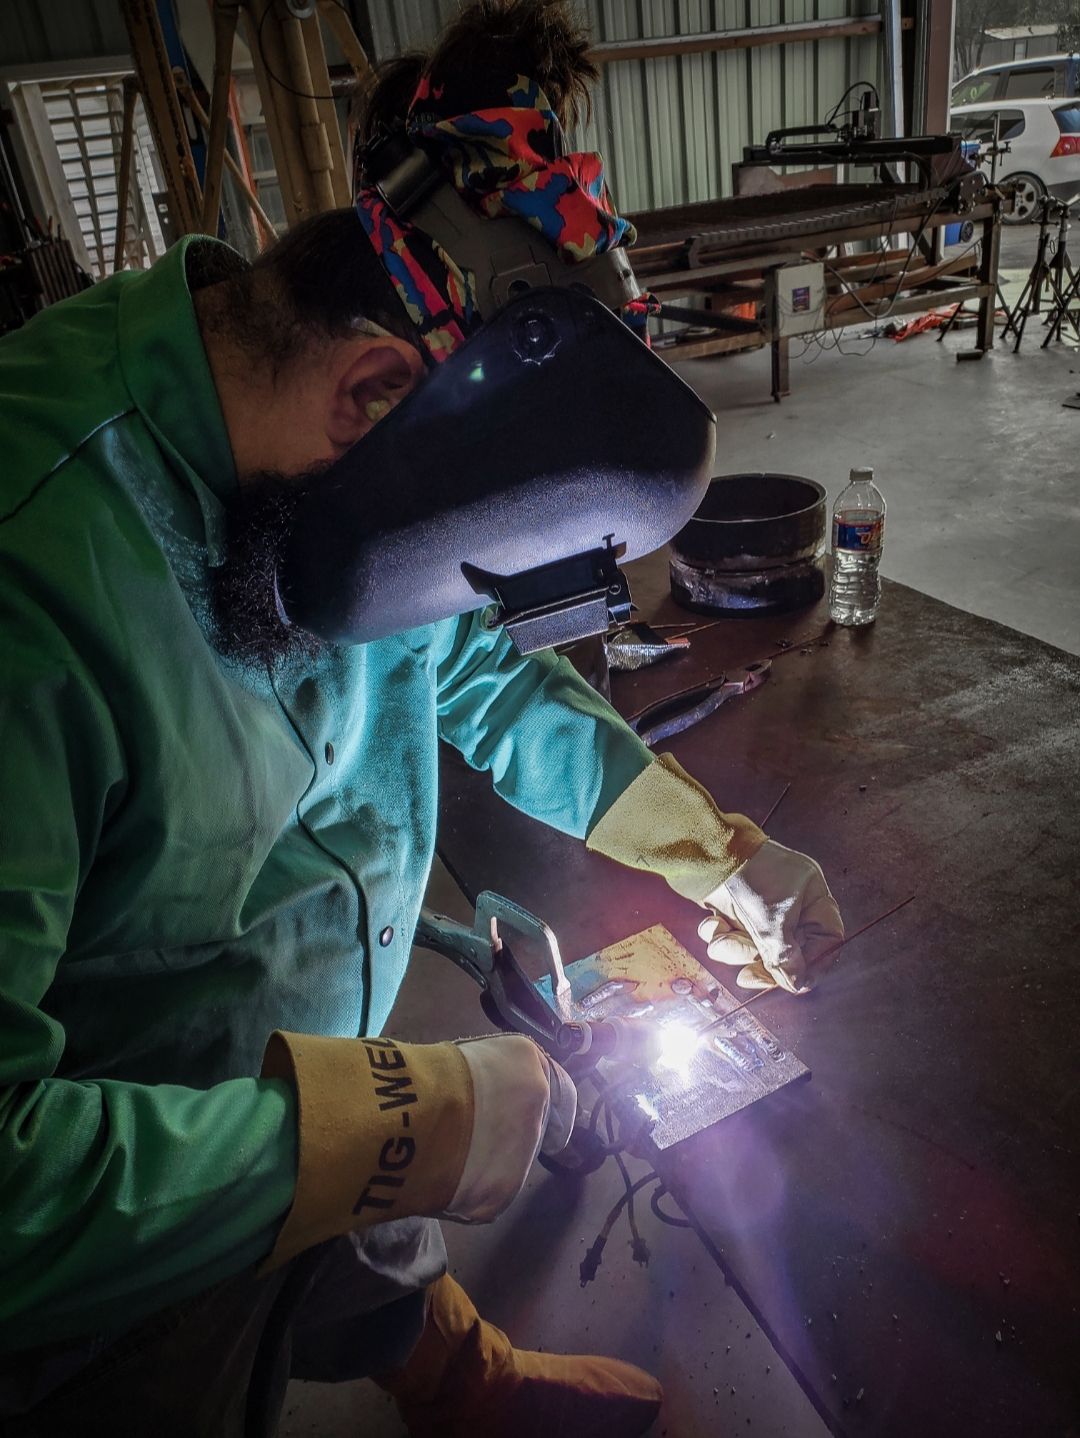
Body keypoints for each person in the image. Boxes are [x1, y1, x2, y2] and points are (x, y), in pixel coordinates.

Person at [0, 3, 843, 1434]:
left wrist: (710, 851)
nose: (451, 608)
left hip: (307, 1041)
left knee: (372, 1199)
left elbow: (481, 672)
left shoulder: (334, 463)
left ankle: (465, 1379)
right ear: (375, 389)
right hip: (118, 1230)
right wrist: (408, 1123)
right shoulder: (36, 584)